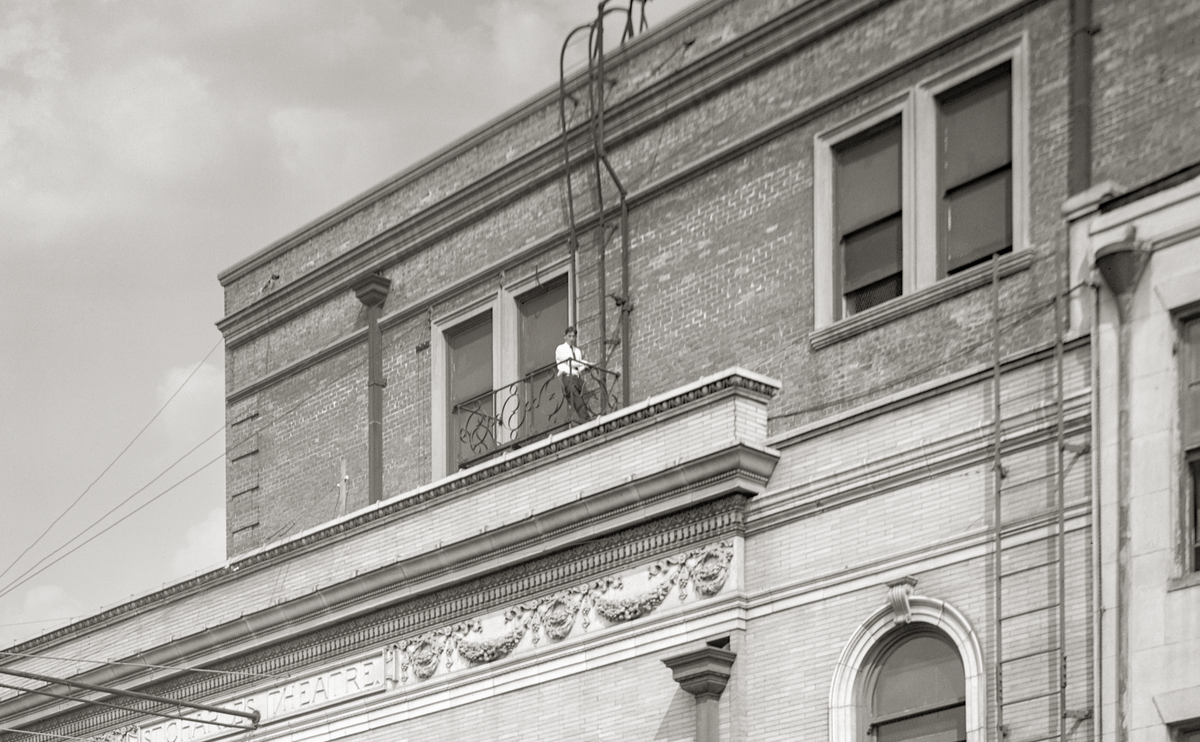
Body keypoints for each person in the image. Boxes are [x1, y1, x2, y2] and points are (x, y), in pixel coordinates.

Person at [555, 326, 590, 422]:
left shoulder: (577, 351)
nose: (571, 339)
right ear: (565, 337)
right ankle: (586, 420)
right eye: (569, 336)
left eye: (573, 336)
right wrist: (585, 362)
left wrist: (586, 367)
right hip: (568, 377)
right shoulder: (560, 349)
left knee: (581, 400)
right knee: (577, 400)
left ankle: (583, 419)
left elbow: (578, 367)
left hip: (577, 378)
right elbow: (570, 362)